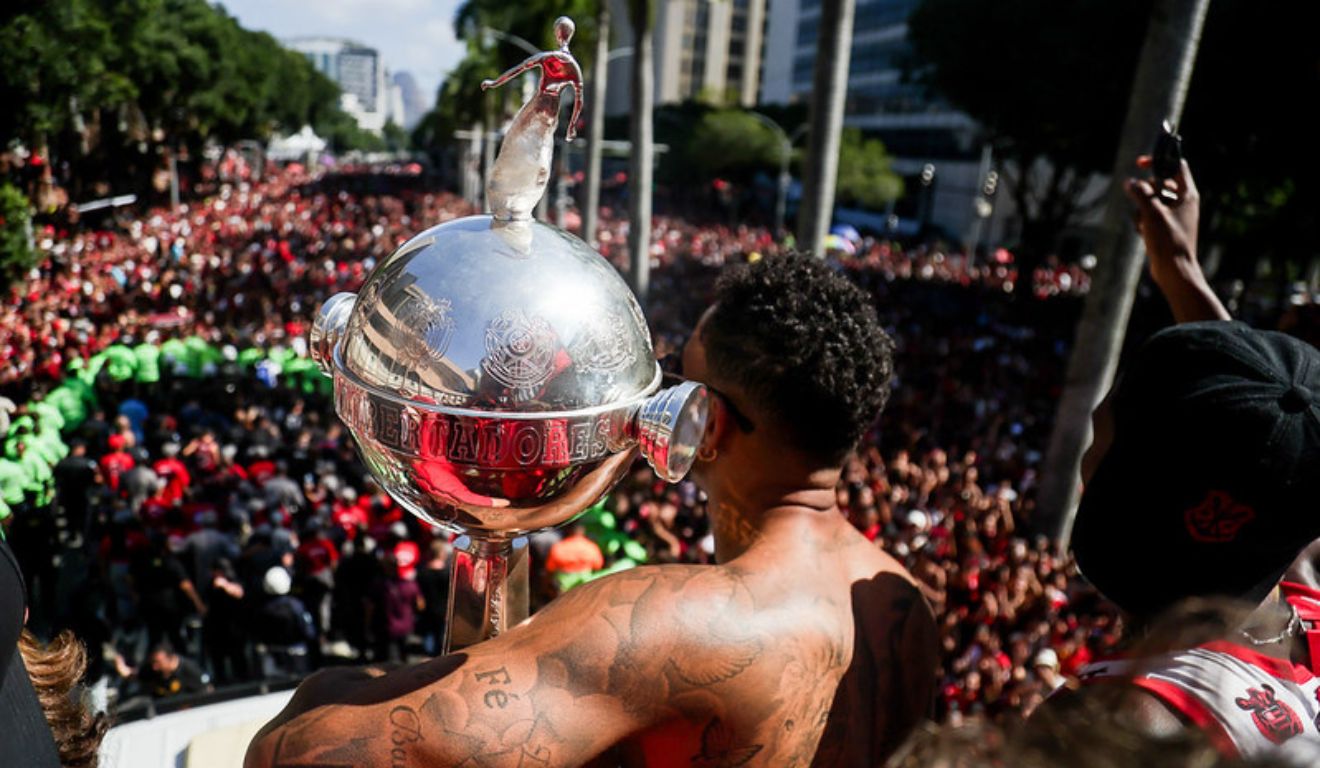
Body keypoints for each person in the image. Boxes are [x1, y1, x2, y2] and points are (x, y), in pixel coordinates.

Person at [247, 254, 939, 767]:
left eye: (673, 372)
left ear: (704, 424)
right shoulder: (903, 607)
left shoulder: (673, 623)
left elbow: (302, 753)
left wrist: (339, 687)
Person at [1036, 158, 1320, 761]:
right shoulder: (1298, 591)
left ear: (1139, 490)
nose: (1093, 431)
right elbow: (1277, 445)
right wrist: (1181, 268)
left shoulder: (1109, 730)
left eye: (1103, 434)